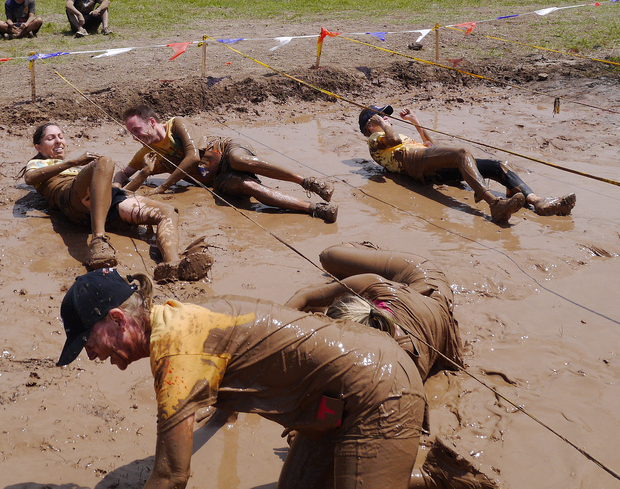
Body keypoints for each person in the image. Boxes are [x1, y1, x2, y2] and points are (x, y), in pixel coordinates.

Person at [56, 269, 426, 489]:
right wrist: (220, 412)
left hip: (379, 388)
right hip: (331, 403)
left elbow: (171, 476)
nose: (90, 354)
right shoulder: (174, 315)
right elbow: (234, 364)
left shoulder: (177, 355)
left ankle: (432, 479)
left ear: (119, 320)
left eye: (88, 341)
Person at [23, 124, 209, 281]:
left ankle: (172, 264)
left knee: (167, 211)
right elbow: (29, 179)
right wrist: (72, 162)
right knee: (105, 162)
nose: (58, 141)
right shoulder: (38, 164)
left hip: (103, 204)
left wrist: (144, 173)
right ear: (38, 147)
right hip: (72, 200)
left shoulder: (79, 166)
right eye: (51, 138)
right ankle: (98, 240)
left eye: (61, 136)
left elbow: (117, 190)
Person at [286, 244, 462, 382]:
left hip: (426, 289)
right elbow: (304, 297)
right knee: (328, 256)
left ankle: (367, 254)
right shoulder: (373, 285)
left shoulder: (404, 364)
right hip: (415, 281)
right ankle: (367, 255)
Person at [359, 105, 530, 225]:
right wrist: (383, 125)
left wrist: (416, 122)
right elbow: (394, 140)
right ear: (370, 125)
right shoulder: (375, 140)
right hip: (413, 161)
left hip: (424, 164)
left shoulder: (394, 137)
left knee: (493, 166)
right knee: (461, 153)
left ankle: (532, 200)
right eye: (381, 115)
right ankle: (494, 204)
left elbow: (433, 148)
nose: (386, 117)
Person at [197, 135, 338, 223]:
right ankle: (317, 209)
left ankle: (309, 182)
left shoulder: (176, 123)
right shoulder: (173, 167)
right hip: (218, 178)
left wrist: (173, 179)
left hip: (228, 150)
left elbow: (191, 158)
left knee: (238, 160)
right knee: (248, 185)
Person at [113, 106, 210, 194]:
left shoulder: (176, 125)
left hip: (223, 156)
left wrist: (162, 187)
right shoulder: (147, 152)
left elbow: (193, 157)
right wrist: (116, 185)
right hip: (217, 181)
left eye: (137, 130)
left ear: (151, 122)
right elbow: (124, 173)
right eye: (131, 133)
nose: (134, 138)